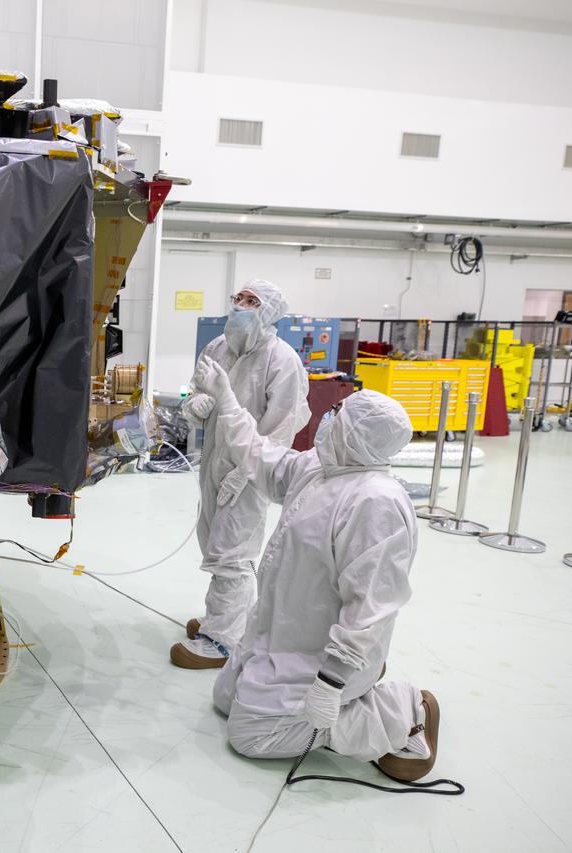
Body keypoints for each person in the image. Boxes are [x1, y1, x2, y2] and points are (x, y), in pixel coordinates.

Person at [192, 361, 439, 782]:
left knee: (251, 736)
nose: (328, 418)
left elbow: (371, 608)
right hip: (284, 635)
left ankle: (403, 711)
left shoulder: (374, 502)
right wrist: (226, 400)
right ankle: (339, 697)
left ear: (357, 434)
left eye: (339, 415)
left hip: (326, 654)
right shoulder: (320, 469)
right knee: (226, 698)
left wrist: (332, 680)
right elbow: (260, 456)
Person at [171, 280, 310, 669]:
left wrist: (247, 473)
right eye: (239, 298)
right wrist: (195, 403)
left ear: (269, 312)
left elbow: (282, 428)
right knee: (213, 541)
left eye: (252, 301)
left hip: (250, 471)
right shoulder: (218, 347)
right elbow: (194, 391)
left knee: (232, 553)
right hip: (214, 460)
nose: (240, 305)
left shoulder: (282, 360)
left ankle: (222, 641)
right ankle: (227, 620)